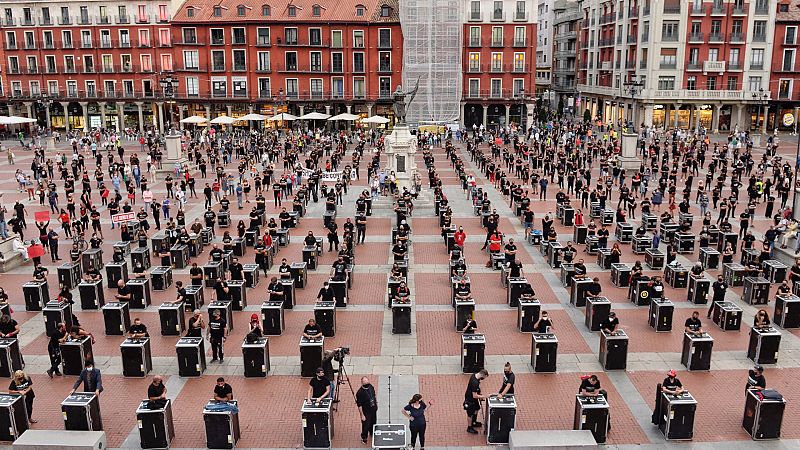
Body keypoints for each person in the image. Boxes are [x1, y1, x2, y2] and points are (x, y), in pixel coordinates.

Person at [464, 369, 488, 434]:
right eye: (484, 377)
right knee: (470, 413)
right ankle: (469, 427)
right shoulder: (475, 383)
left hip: (473, 398)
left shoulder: (474, 375)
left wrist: (479, 394)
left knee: (477, 408)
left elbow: (477, 390)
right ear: (483, 375)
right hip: (470, 399)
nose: (483, 379)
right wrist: (483, 396)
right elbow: (474, 395)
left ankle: (474, 422)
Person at [355, 376, 378, 444]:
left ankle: (372, 432)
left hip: (373, 409)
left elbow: (374, 396)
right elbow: (359, 405)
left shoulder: (371, 386)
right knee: (366, 425)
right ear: (362, 383)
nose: (367, 383)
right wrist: (362, 415)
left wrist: (376, 403)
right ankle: (364, 438)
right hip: (366, 412)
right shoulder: (359, 393)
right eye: (365, 382)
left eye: (367, 381)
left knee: (373, 422)